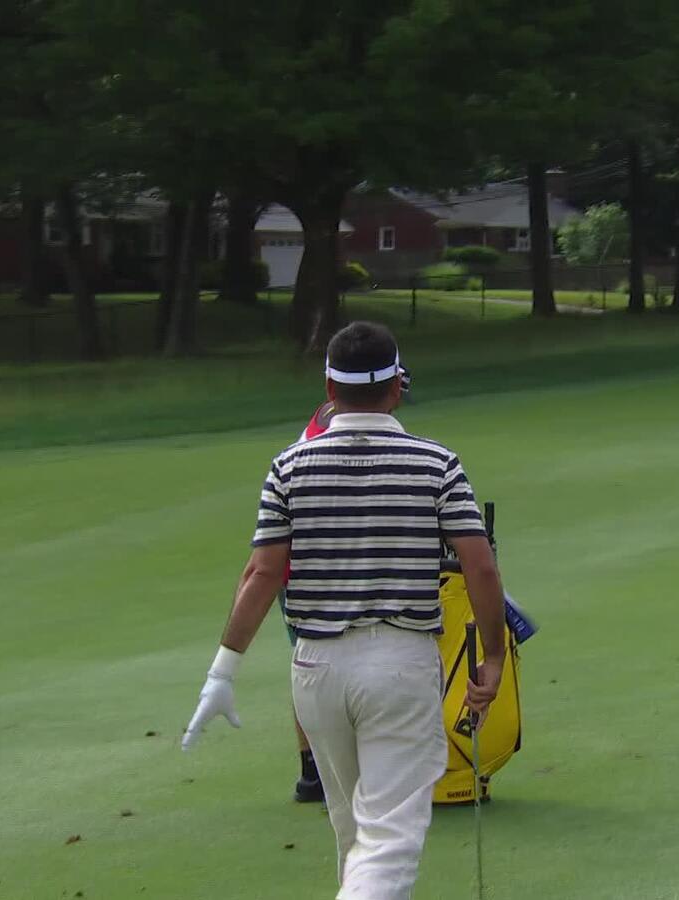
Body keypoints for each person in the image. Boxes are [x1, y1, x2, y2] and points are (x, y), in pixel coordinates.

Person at [183, 322, 506, 900]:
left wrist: (222, 671)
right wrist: (493, 656)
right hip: (402, 664)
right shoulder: (437, 464)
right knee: (387, 839)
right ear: (396, 388)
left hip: (317, 671)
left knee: (356, 834)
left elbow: (262, 574)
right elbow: (479, 567)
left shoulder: (289, 466)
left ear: (329, 385)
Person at [288, 365, 412, 803]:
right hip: (318, 566)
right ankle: (327, 771)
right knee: (334, 658)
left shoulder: (331, 415)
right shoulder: (335, 432)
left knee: (313, 663)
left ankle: (314, 774)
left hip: (307, 564)